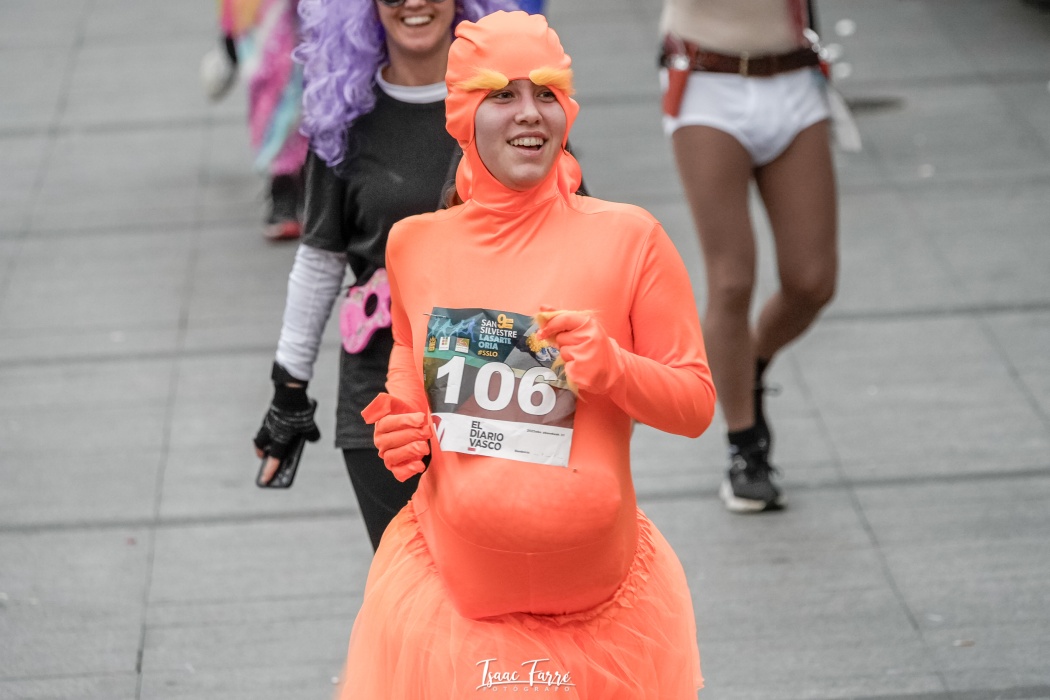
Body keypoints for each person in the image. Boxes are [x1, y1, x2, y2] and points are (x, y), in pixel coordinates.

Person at [335, 11, 717, 698]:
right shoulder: (415, 243)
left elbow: (694, 405)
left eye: (546, 92)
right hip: (452, 617)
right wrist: (400, 427)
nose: (529, 113)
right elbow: (407, 368)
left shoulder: (629, 238)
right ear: (461, 114)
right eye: (501, 94)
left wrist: (613, 368)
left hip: (609, 623)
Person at [251, 0, 513, 551]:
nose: (413, 2)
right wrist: (288, 390)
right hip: (386, 395)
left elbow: (577, 231)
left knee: (503, 583)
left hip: (504, 380)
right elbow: (320, 260)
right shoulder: (342, 117)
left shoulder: (512, 103)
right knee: (412, 583)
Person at [659, 0, 838, 512]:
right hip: (705, 78)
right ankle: (745, 448)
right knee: (732, 280)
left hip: (794, 76)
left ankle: (749, 365)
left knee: (812, 283)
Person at [201, 0, 310, 240]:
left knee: (315, 87)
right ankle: (284, 188)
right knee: (273, 90)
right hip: (263, 16)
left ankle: (307, 187)